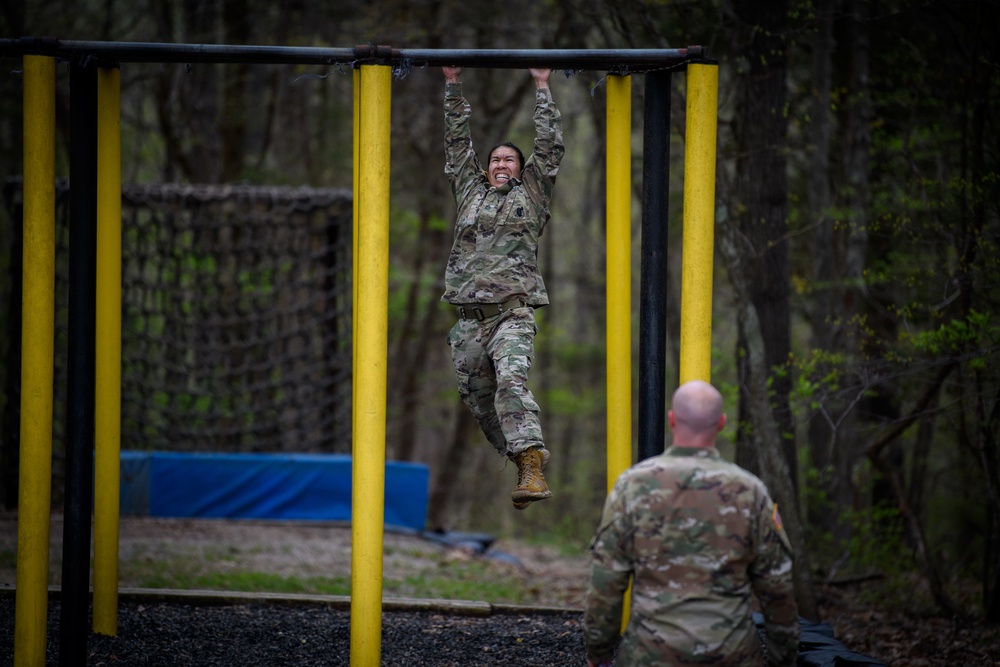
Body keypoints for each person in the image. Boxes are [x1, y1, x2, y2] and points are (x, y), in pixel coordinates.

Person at [583, 380, 800, 666]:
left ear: (671, 419)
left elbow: (606, 582)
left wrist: (598, 653)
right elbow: (777, 590)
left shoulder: (632, 486)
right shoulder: (750, 491)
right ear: (721, 423)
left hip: (650, 656)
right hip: (732, 656)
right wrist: (784, 660)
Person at [440, 65, 564, 510]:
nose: (500, 164)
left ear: (521, 168)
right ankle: (522, 461)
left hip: (511, 313)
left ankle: (532, 460)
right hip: (468, 323)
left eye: (509, 159)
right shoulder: (470, 194)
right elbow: (457, 145)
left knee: (511, 381)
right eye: (495, 159)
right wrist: (453, 83)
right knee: (478, 400)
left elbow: (548, 147)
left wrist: (542, 87)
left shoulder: (530, 196)